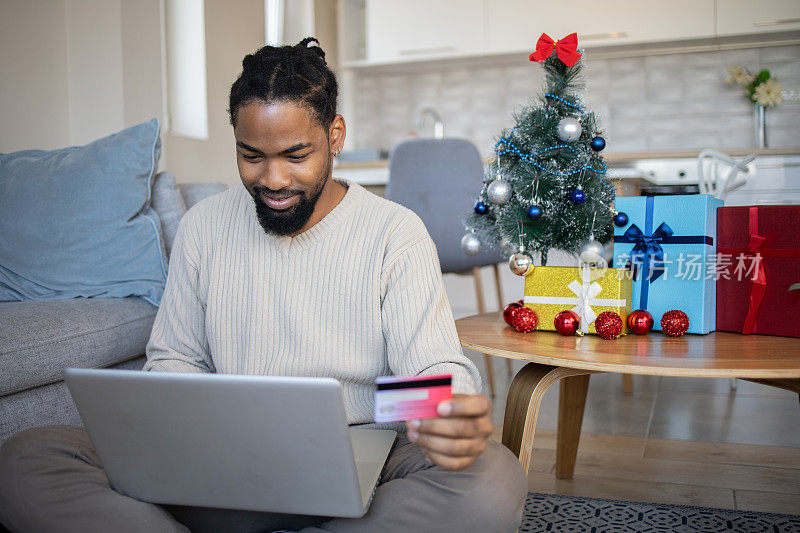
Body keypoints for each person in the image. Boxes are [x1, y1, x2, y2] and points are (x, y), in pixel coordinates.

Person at [0, 38, 527, 532]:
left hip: (360, 457)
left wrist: (440, 409)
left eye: (296, 155)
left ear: (335, 136)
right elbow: (174, 362)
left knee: (491, 484)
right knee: (25, 460)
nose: (272, 179)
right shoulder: (203, 227)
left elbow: (433, 372)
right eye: (252, 156)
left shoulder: (394, 232)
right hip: (221, 459)